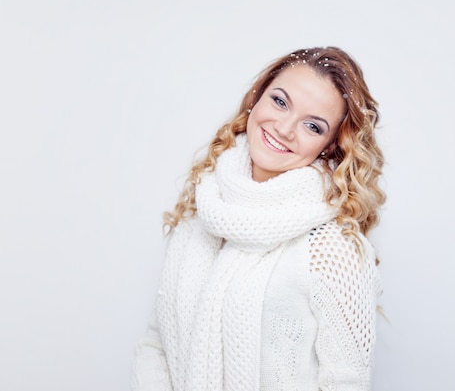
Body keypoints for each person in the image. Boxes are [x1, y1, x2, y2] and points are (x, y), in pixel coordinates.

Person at [131, 46, 386, 391]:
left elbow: (346, 382)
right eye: (280, 102)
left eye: (313, 125)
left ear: (329, 145)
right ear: (257, 98)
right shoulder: (204, 207)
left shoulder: (331, 246)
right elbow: (157, 344)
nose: (284, 128)